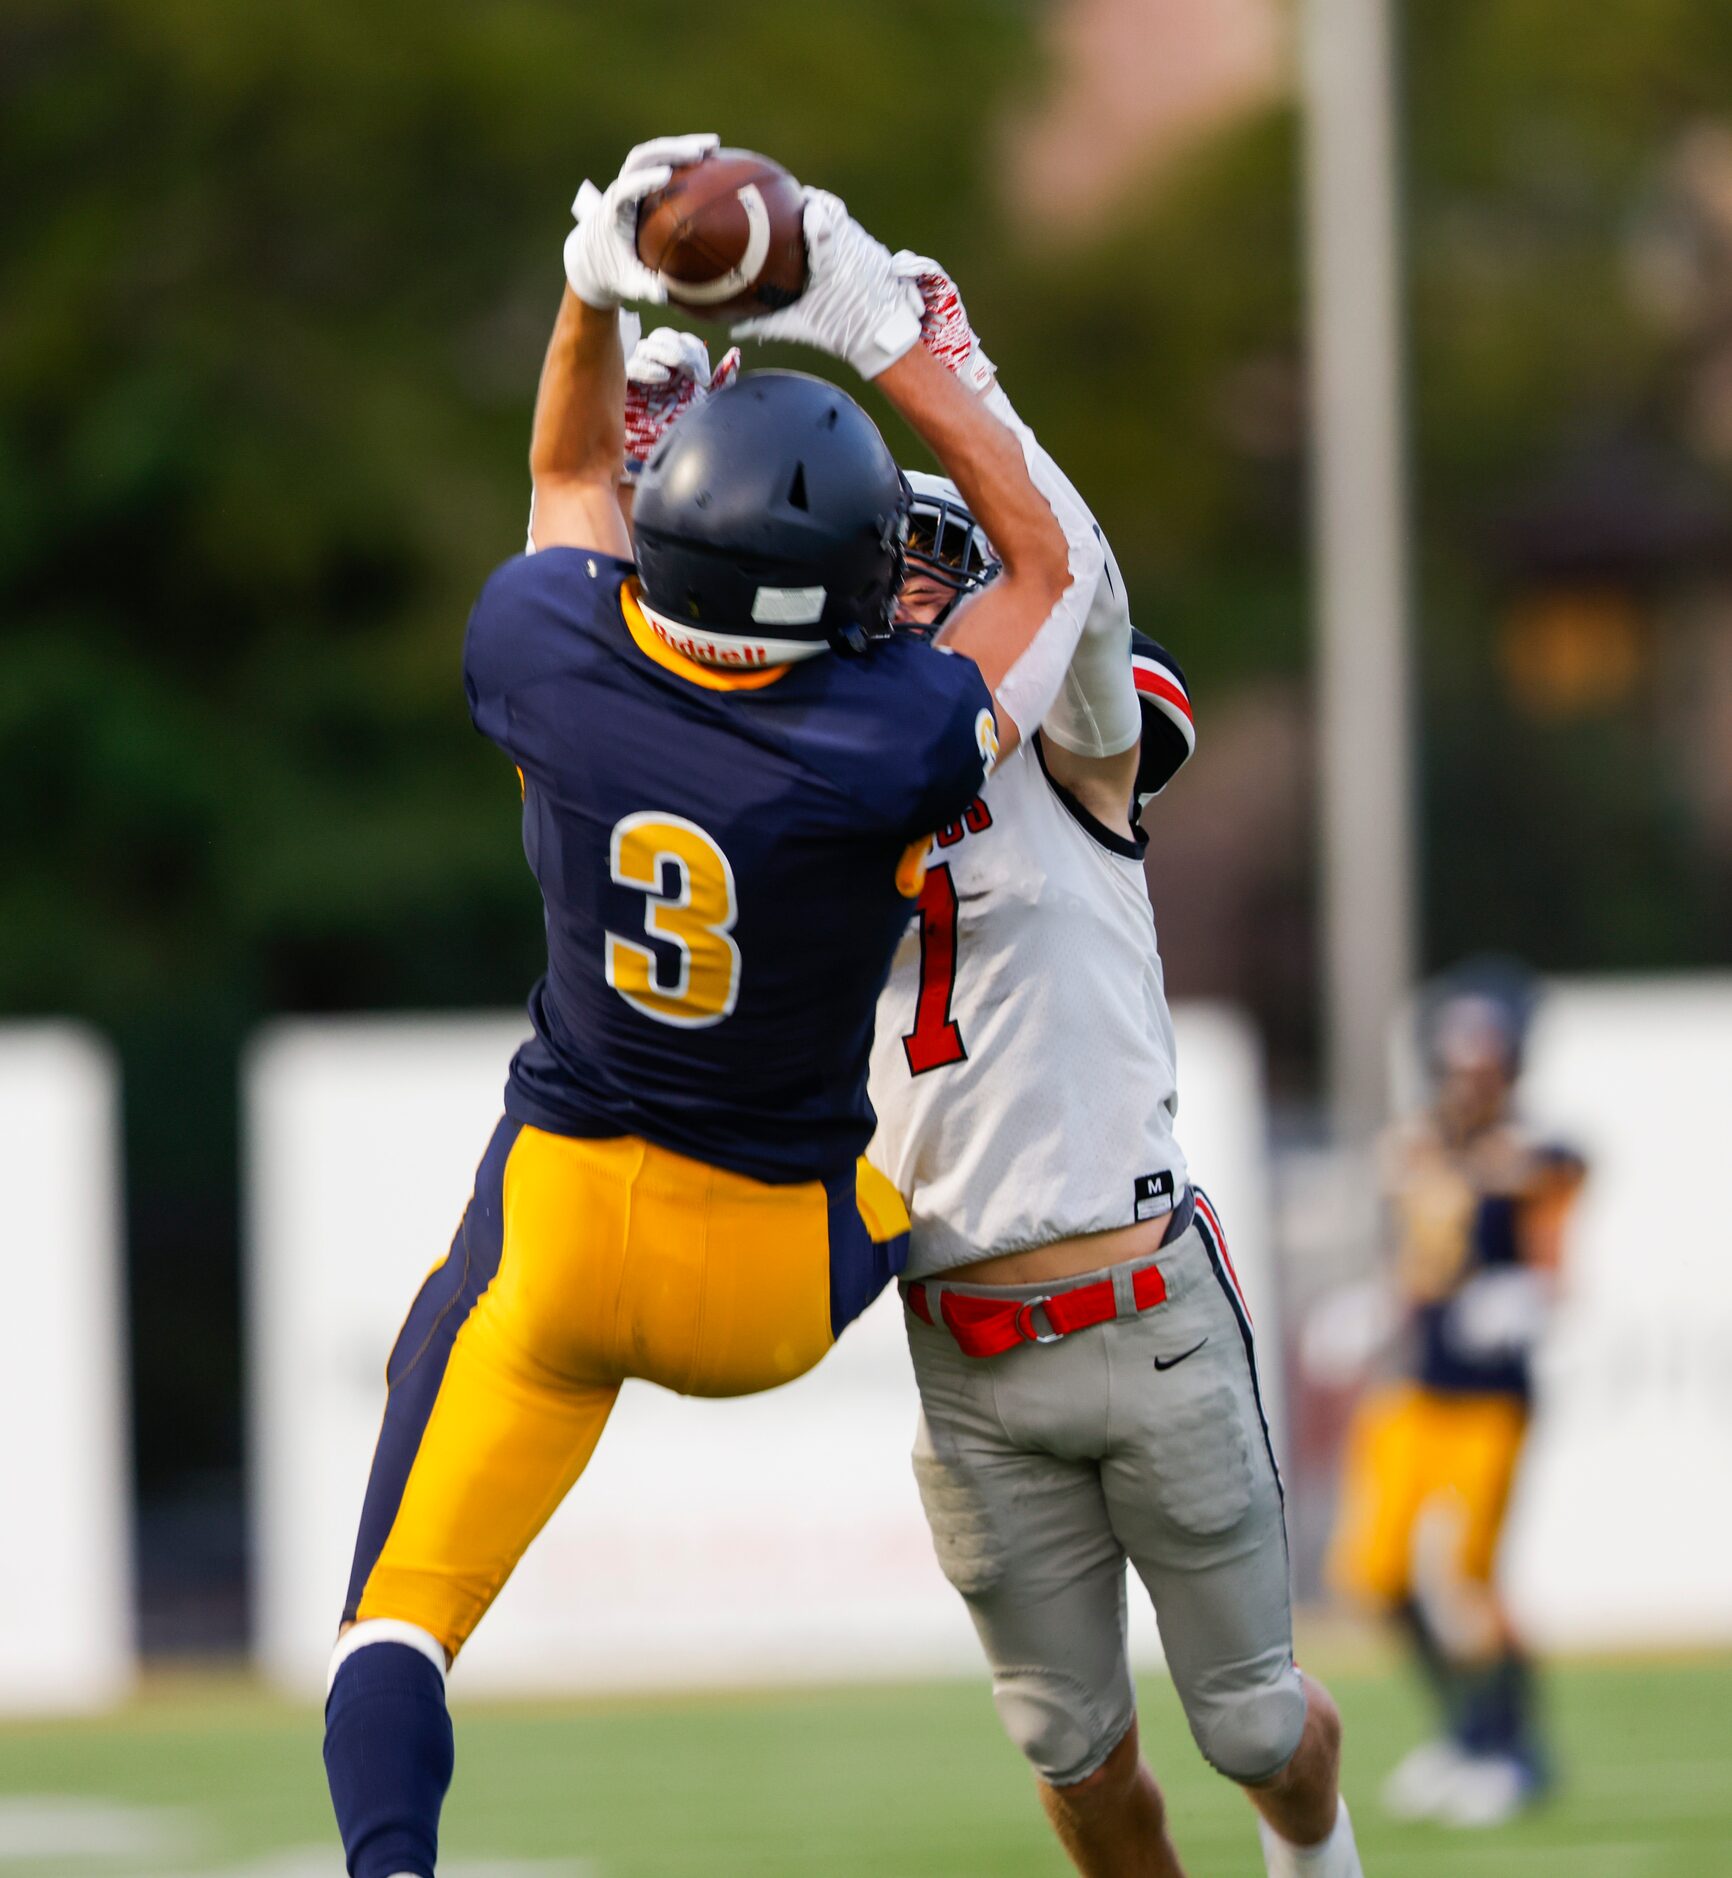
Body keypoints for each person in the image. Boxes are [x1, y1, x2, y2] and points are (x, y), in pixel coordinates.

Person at [321, 133, 1108, 1878]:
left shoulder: (547, 648)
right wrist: (890, 331)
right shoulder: (885, 740)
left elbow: (559, 483)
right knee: (918, 1197)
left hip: (567, 1232)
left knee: (391, 1625)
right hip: (782, 1281)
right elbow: (1044, 572)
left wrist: (591, 297)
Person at [866, 263, 1364, 1878]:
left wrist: (942, 366)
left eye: (929, 575)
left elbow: (1067, 569)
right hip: (963, 1349)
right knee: (1079, 1772)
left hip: (1142, 1313)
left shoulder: (1072, 758)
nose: (904, 607)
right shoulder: (804, 799)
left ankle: (1317, 1853)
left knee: (1251, 1723)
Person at [1326, 964, 1585, 1827]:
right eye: (1460, 1063)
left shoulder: (1538, 1157)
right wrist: (1375, 1306)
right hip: (1414, 1386)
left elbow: (1553, 1250)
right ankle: (1465, 1733)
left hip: (1489, 1399)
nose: (1471, 1080)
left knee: (1473, 1582)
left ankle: (1515, 1749)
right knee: (1376, 1574)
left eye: (1487, 1065)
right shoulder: (1416, 1147)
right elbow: (1410, 1255)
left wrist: (1529, 1295)